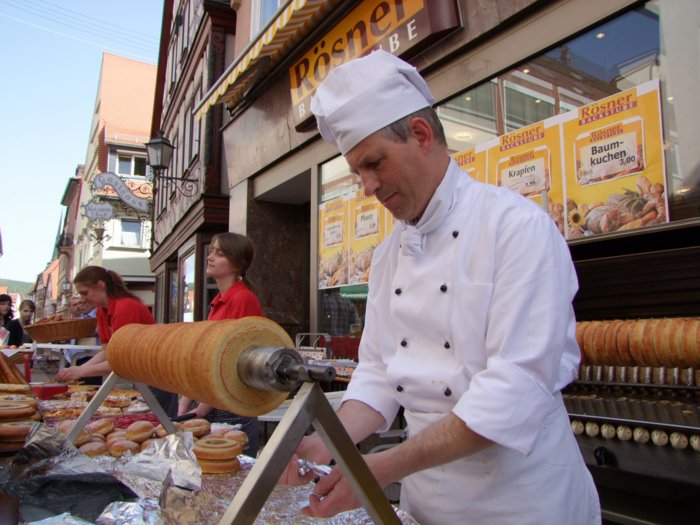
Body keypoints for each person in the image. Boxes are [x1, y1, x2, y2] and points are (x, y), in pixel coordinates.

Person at [278, 50, 600, 524]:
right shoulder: (388, 255)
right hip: (426, 499)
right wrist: (325, 443)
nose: (367, 187)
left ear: (421, 135)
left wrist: (383, 466)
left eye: (374, 163)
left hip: (522, 500)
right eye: (357, 172)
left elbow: (514, 389)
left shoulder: (515, 227)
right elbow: (379, 373)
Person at [177, 232, 263, 456]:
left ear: (237, 264)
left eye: (219, 253)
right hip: (211, 400)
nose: (210, 257)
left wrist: (203, 406)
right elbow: (206, 357)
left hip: (231, 406)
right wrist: (186, 399)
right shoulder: (217, 302)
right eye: (211, 251)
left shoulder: (243, 299)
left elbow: (233, 362)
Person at [55, 266, 178, 416]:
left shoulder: (125, 308)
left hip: (158, 374)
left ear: (101, 285)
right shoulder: (102, 310)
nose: (81, 299)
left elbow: (121, 360)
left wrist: (81, 371)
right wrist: (78, 370)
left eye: (85, 293)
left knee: (161, 422)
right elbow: (108, 351)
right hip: (143, 374)